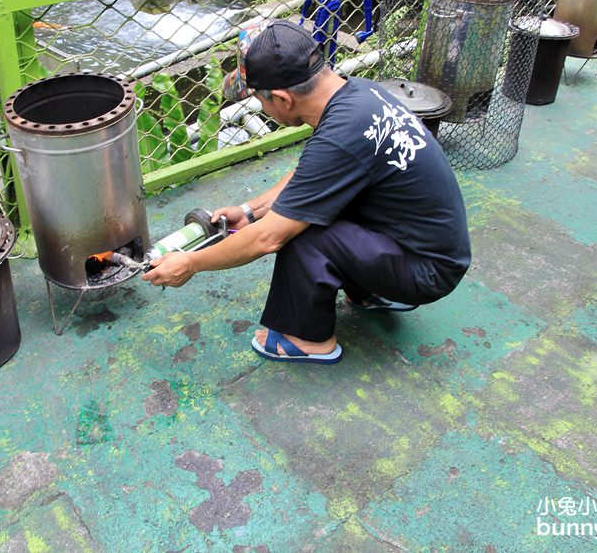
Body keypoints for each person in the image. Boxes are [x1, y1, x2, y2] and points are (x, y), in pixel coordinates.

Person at [142, 21, 471, 364]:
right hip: (425, 248)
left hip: (426, 271)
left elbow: (266, 239)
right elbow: (310, 176)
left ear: (282, 98)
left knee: (300, 232)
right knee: (314, 206)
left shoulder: (340, 136)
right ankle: (370, 292)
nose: (261, 106)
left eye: (257, 98)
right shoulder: (357, 93)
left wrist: (191, 263)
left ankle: (310, 339)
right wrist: (250, 210)